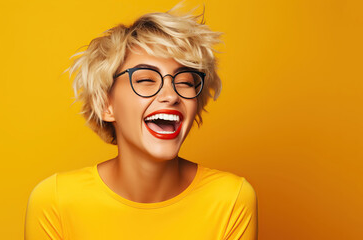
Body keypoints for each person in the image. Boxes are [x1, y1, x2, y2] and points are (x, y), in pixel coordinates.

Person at [24, 6, 258, 240]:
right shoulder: (55, 202)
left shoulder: (231, 200)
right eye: (146, 79)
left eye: (185, 81)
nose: (171, 95)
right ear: (107, 105)